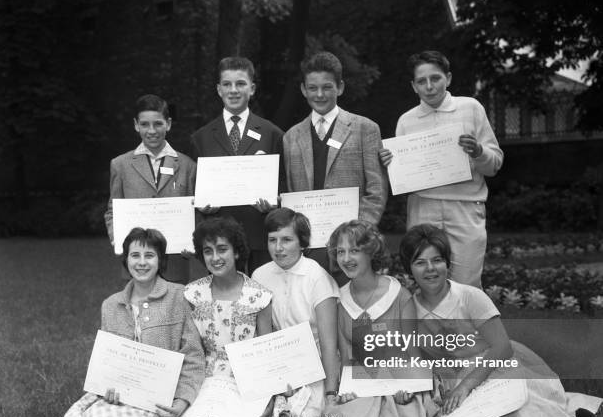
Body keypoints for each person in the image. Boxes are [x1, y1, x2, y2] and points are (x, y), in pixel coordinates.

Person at [399, 223, 603, 417]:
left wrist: (465, 387)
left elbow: (502, 348)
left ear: (447, 262)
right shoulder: (410, 309)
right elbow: (413, 358)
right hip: (449, 378)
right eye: (420, 262)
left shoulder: (469, 297)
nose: (430, 268)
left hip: (491, 368)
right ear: (409, 269)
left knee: (521, 409)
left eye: (437, 260)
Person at [61, 228, 204, 417]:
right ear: (126, 260)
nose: (142, 263)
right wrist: (107, 389)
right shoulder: (111, 305)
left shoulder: (179, 296)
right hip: (124, 397)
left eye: (149, 255)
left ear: (161, 261)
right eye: (135, 255)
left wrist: (182, 401)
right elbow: (108, 361)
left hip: (164, 396)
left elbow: (193, 356)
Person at [380, 51, 503, 288]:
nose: (429, 87)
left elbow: (494, 164)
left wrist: (478, 151)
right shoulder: (406, 120)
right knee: (427, 281)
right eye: (421, 81)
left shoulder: (471, 108)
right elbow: (403, 177)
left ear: (448, 78)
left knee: (467, 282)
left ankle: (465, 327)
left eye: (435, 78)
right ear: (413, 86)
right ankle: (429, 327)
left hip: (465, 207)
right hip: (422, 207)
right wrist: (389, 165)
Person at [162, 217, 288, 417]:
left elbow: (265, 353)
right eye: (208, 251)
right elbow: (187, 348)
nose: (215, 258)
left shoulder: (259, 296)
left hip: (244, 377)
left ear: (237, 252)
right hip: (203, 374)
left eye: (222, 250)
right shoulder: (192, 294)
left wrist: (269, 395)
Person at [323, 220, 439, 417]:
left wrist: (408, 387)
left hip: (400, 377)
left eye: (354, 250)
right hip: (366, 380)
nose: (346, 258)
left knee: (405, 408)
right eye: (340, 252)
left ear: (370, 252)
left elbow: (412, 352)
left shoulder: (399, 295)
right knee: (354, 405)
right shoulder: (339, 301)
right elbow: (347, 358)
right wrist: (348, 389)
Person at [283, 51, 387, 277]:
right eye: (312, 88)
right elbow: (291, 193)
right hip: (309, 247)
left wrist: (358, 235)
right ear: (303, 89)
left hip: (353, 247)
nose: (319, 94)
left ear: (340, 87)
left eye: (327, 87)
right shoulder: (291, 137)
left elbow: (376, 190)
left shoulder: (365, 129)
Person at [190, 57, 285, 274]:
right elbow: (195, 189)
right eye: (227, 84)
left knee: (261, 299)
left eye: (240, 84)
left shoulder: (272, 134)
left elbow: (283, 184)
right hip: (218, 241)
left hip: (259, 237)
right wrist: (202, 206)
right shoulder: (201, 138)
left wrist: (274, 202)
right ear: (218, 89)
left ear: (252, 89)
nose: (233, 90)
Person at [252, 208, 340, 417]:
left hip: (314, 363)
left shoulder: (316, 276)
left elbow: (330, 344)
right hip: (277, 361)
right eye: (272, 240)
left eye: (287, 240)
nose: (278, 248)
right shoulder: (259, 275)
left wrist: (331, 393)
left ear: (302, 243)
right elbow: (262, 336)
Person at [104, 94, 196, 283]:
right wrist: (119, 240)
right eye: (145, 124)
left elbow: (196, 212)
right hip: (137, 265)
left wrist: (193, 241)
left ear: (168, 124)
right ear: (136, 125)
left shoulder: (188, 166)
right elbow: (112, 212)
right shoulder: (120, 165)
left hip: (176, 264)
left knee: (176, 312)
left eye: (158, 124)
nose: (151, 130)